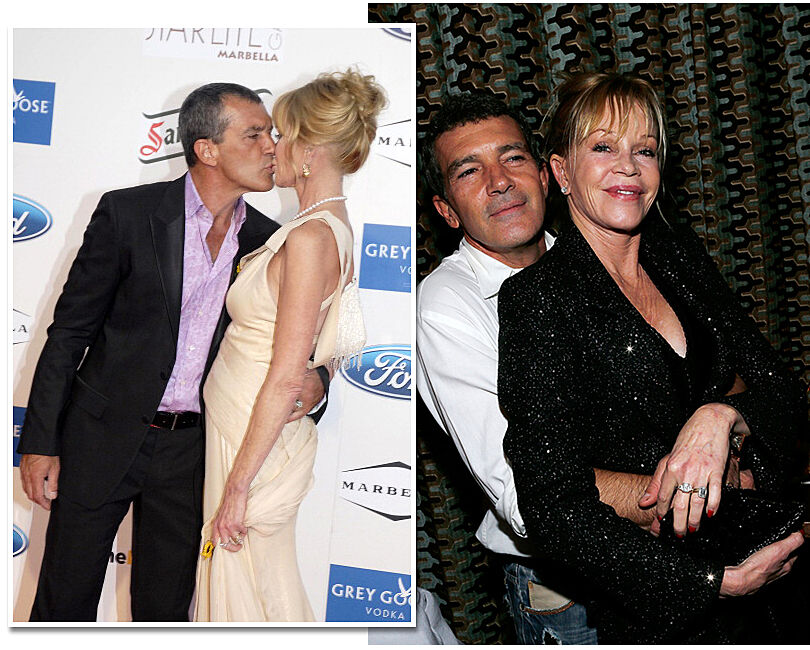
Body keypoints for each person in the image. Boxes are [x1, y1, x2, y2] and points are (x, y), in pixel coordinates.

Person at [498, 71, 806, 643]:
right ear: (561, 172)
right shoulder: (538, 300)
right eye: (603, 148)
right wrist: (711, 583)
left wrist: (722, 418)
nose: (629, 167)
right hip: (670, 612)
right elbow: (553, 506)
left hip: (775, 571)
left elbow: (784, 393)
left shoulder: (680, 257)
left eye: (645, 150)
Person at [16, 82, 328, 622]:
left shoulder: (271, 241)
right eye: (254, 135)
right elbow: (68, 333)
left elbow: (306, 341)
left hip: (194, 453)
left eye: (272, 135)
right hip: (99, 437)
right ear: (207, 149)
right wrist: (40, 443)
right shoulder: (127, 214)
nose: (272, 147)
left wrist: (319, 379)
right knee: (62, 606)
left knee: (164, 615)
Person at [417, 92, 664, 644]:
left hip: (670, 545)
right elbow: (524, 494)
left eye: (512, 157)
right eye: (469, 171)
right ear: (447, 211)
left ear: (547, 175)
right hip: (566, 586)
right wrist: (687, 493)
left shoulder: (602, 258)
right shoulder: (446, 307)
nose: (499, 182)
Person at [193, 69, 386, 622]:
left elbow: (285, 377)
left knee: (254, 597)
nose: (270, 147)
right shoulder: (320, 227)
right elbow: (329, 346)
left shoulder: (310, 237)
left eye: (279, 135)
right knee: (253, 591)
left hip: (254, 445)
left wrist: (238, 487)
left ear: (308, 150)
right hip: (245, 430)